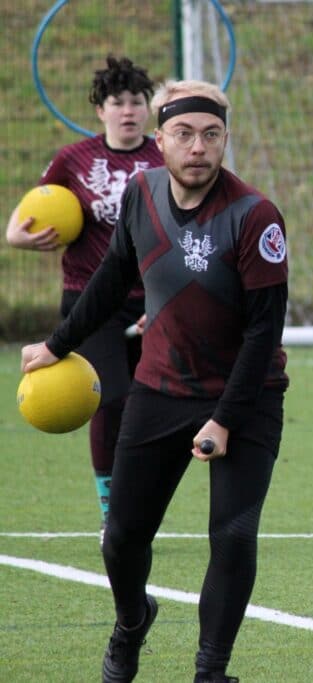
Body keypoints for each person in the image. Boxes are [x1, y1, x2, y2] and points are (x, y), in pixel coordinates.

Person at [20, 78, 289, 683]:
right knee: (121, 538)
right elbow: (111, 281)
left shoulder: (255, 216)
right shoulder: (141, 195)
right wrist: (55, 344)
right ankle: (132, 620)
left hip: (245, 399)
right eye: (185, 134)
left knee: (234, 533)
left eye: (212, 135)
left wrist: (223, 419)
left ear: (225, 142)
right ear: (161, 141)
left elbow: (263, 334)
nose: (198, 147)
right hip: (161, 388)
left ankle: (210, 671)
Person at [6, 55, 162, 542]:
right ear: (100, 110)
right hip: (89, 301)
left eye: (137, 101)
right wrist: (20, 236)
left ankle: (139, 500)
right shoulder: (72, 160)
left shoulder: (165, 158)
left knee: (151, 406)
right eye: (118, 102)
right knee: (110, 399)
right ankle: (111, 509)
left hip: (155, 300)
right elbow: (21, 223)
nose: (129, 111)